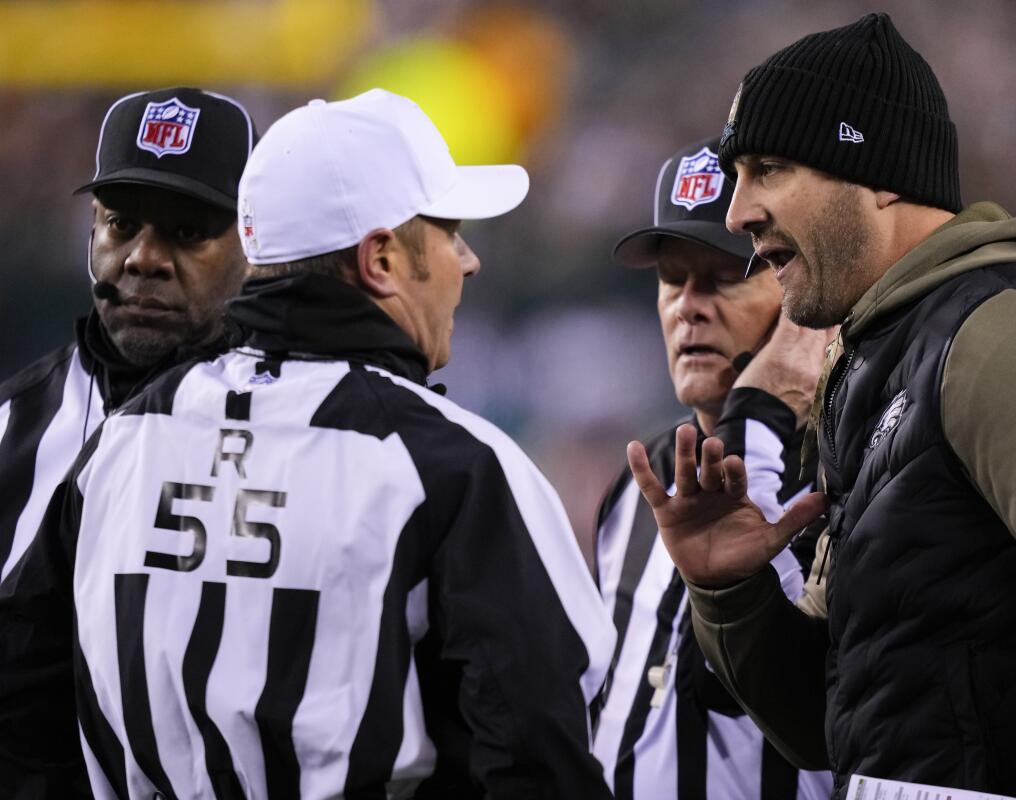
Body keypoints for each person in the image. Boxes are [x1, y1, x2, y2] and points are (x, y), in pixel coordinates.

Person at [626, 13, 1016, 800]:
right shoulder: (873, 364)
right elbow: (834, 724)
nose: (738, 211)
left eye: (769, 167)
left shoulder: (1014, 329)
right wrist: (733, 594)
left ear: (880, 174)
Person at [0, 89, 616, 799]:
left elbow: (29, 715)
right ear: (380, 259)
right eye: (449, 231)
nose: (468, 260)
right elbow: (539, 756)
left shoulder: (118, 445)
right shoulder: (451, 466)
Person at [0, 86, 255, 796]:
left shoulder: (300, 434)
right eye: (121, 224)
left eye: (187, 230)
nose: (144, 256)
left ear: (255, 247)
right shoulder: (10, 431)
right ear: (92, 233)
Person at [593, 137, 832, 799]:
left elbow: (749, 690)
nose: (687, 304)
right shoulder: (641, 480)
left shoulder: (843, 484)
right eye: (673, 276)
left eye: (725, 273)